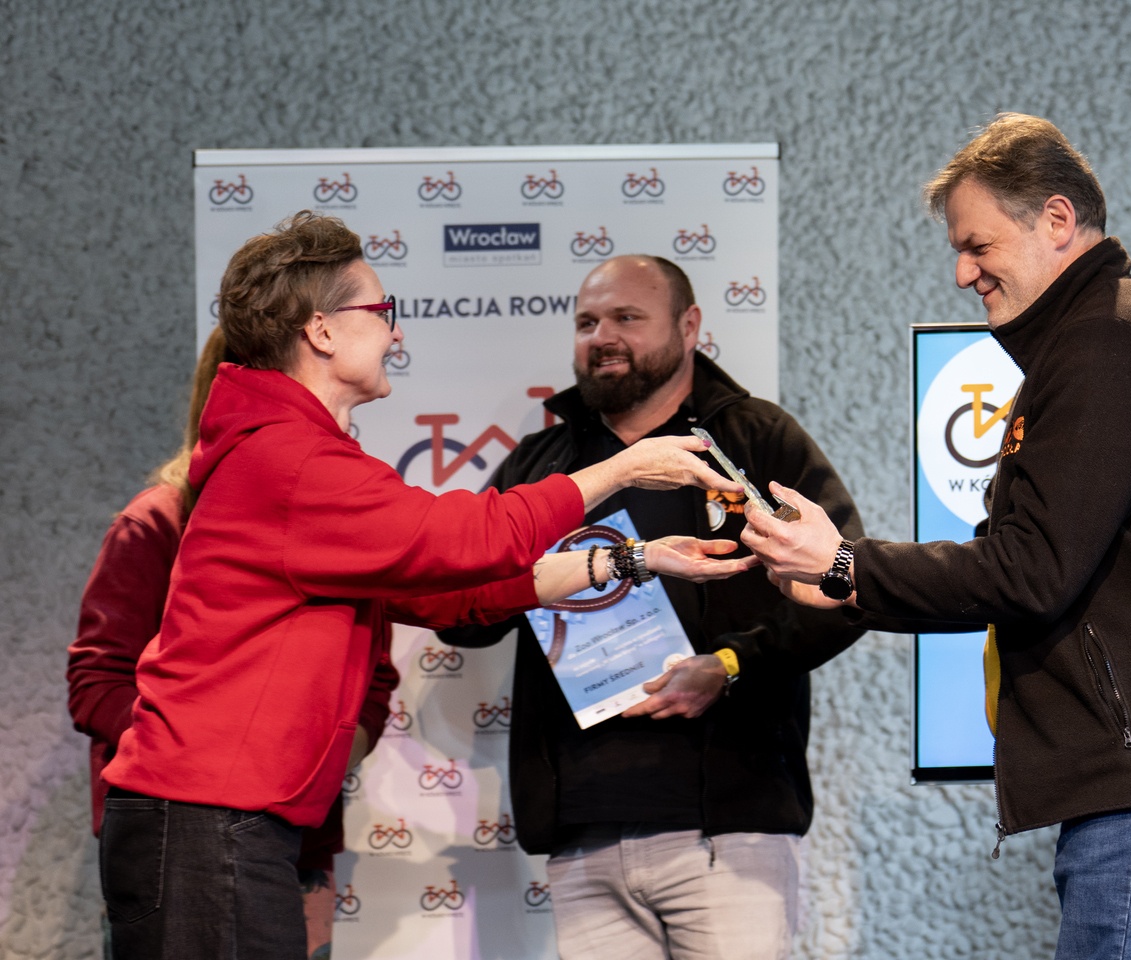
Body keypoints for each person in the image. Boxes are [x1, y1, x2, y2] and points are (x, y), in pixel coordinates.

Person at [97, 212, 753, 960]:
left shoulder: (300, 455)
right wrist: (624, 469)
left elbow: (456, 591)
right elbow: (467, 538)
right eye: (382, 311)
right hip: (205, 818)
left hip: (224, 820)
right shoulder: (290, 461)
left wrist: (633, 560)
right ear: (321, 330)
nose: (396, 332)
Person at [742, 115, 1131, 960]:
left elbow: (1030, 570)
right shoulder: (1102, 340)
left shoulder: (1112, 339)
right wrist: (842, 581)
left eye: (978, 245)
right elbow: (1020, 558)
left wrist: (848, 563)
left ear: (1057, 219)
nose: (962, 273)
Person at [440, 255, 865, 960]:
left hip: (727, 832)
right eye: (586, 322)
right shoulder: (544, 466)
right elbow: (459, 612)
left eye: (627, 318)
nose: (602, 337)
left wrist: (729, 664)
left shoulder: (756, 442)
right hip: (582, 836)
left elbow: (842, 587)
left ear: (689, 326)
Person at [67, 326, 395, 959]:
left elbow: (375, 675)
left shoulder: (332, 515)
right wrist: (200, 747)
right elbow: (95, 680)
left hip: (298, 843)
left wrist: (323, 750)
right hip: (182, 836)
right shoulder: (158, 520)